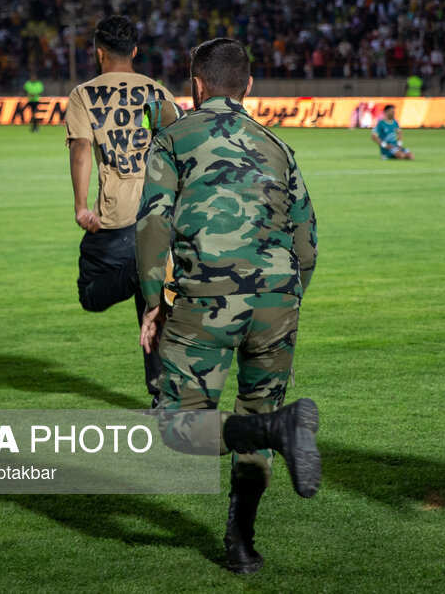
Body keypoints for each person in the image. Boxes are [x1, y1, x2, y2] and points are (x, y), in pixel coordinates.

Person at [136, 37, 320, 575]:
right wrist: (286, 300)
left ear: (195, 86)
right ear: (249, 86)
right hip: (278, 299)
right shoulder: (279, 145)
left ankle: (273, 431)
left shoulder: (172, 138)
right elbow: (307, 241)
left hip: (207, 298)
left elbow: (152, 226)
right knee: (260, 407)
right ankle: (242, 543)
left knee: (178, 426)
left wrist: (153, 302)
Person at [64, 15, 175, 408]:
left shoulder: (84, 94)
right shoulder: (157, 92)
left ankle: (135, 273)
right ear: (135, 51)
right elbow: (176, 149)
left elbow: (80, 148)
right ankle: (162, 393)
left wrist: (81, 206)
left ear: (98, 53)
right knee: (152, 305)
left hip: (117, 220)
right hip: (160, 216)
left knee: (91, 294)